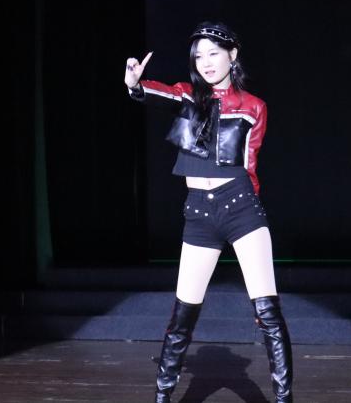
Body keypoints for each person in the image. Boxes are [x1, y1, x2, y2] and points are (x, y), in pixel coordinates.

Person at [125, 22, 293, 403]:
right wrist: (135, 84)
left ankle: (284, 399)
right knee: (182, 315)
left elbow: (250, 165)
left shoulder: (254, 107)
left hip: (240, 207)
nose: (206, 62)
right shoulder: (188, 96)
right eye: (199, 55)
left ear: (232, 55)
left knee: (267, 312)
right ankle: (162, 398)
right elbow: (158, 93)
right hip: (199, 213)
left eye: (214, 53)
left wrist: (248, 212)